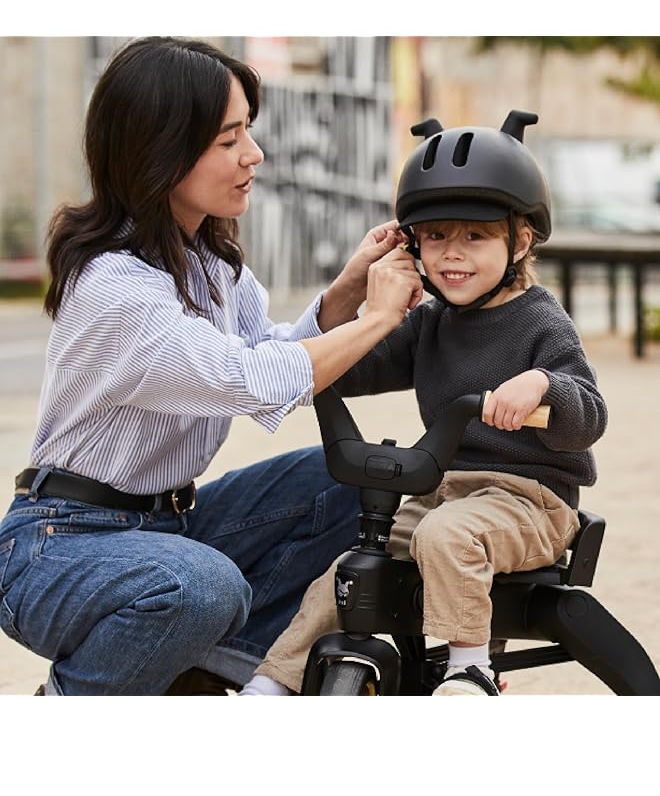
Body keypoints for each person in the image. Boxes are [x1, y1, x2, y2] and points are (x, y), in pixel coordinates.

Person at [0, 36, 423, 696]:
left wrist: (345, 293)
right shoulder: (115, 286)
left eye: (247, 132)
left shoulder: (210, 261)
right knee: (203, 584)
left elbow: (270, 351)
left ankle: (213, 668)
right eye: (229, 140)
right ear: (161, 149)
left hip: (170, 525)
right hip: (58, 547)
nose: (253, 155)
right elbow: (244, 380)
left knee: (354, 480)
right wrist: (377, 319)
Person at [240, 110, 608, 696]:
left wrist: (543, 386)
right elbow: (355, 367)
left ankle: (469, 668)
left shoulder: (541, 321)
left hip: (531, 504)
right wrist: (363, 305)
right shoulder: (432, 320)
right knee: (350, 570)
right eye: (436, 236)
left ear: (521, 238)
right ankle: (275, 683)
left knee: (446, 536)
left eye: (475, 236)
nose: (452, 255)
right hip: (444, 494)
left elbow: (590, 413)